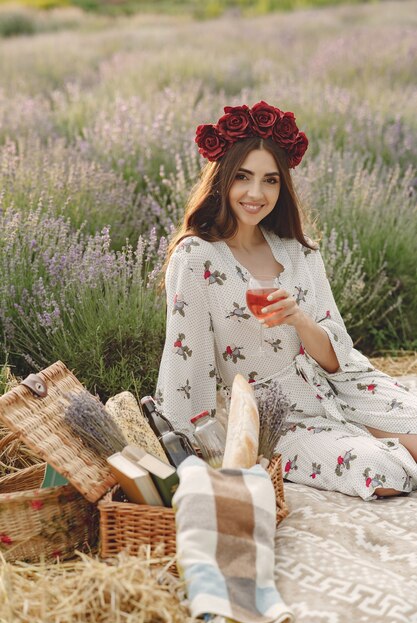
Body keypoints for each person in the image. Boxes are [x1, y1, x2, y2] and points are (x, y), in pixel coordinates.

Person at [156, 100, 417, 500]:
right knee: (379, 472)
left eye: (270, 180)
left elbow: (336, 357)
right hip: (279, 415)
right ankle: (374, 441)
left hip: (343, 384)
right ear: (222, 178)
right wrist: (186, 460)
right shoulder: (196, 257)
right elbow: (184, 362)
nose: (256, 193)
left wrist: (299, 320)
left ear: (283, 185)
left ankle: (379, 429)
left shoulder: (299, 251)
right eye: (243, 177)